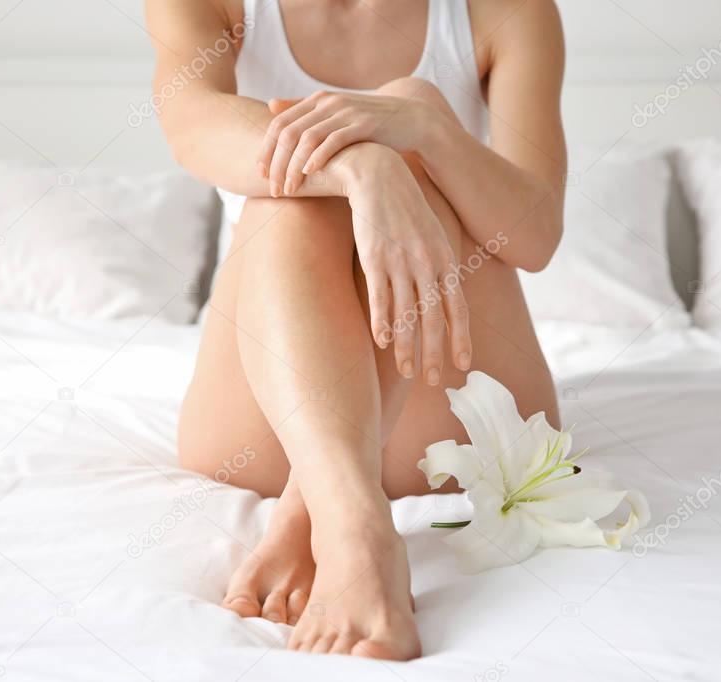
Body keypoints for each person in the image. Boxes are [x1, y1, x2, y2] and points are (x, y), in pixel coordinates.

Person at [147, 0, 566, 660]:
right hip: (264, 418)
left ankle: (315, 506)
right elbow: (190, 123)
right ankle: (355, 525)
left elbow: (536, 235)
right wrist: (362, 167)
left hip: (452, 413)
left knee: (413, 115)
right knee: (284, 194)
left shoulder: (507, 11)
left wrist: (429, 131)